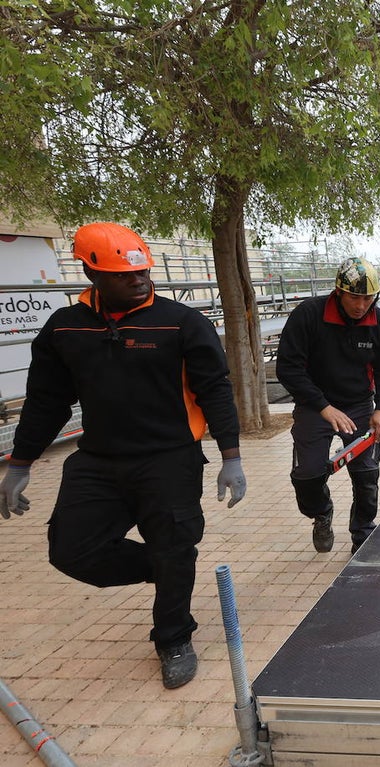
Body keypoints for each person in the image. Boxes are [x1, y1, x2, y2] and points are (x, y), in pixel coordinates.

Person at [0, 222, 246, 690]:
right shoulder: (65, 328)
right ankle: (166, 569)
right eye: (123, 275)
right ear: (91, 272)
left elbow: (215, 389)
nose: (138, 280)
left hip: (169, 459)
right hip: (98, 462)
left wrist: (230, 455)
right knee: (71, 550)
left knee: (175, 544)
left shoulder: (181, 323)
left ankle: (173, 638)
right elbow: (46, 401)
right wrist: (21, 463)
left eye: (142, 271)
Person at [276, 257, 380, 555]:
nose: (361, 305)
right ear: (339, 292)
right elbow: (288, 368)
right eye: (355, 297)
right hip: (314, 404)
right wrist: (322, 407)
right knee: (308, 475)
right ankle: (320, 512)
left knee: (367, 473)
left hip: (358, 404)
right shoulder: (308, 315)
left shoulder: (379, 322)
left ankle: (362, 534)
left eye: (368, 298)